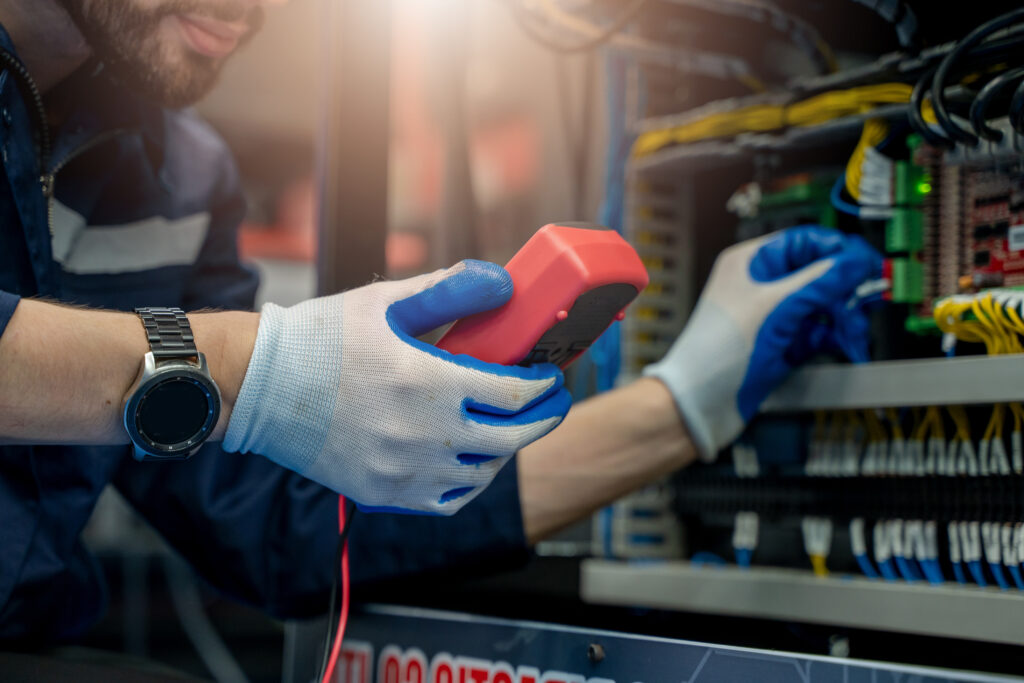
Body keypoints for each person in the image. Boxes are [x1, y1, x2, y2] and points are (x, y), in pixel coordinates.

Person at [0, 0, 880, 643]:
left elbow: (287, 525)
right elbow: (253, 383)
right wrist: (260, 366)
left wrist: (690, 399)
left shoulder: (183, 179)